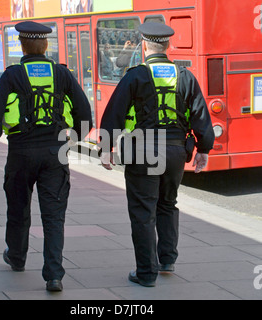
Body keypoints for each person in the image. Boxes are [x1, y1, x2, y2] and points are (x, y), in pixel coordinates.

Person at [0, 21, 93, 292]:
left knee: (18, 208)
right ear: (46, 46)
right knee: (54, 215)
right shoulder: (61, 74)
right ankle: (54, 275)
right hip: (55, 153)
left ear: (22, 45)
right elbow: (84, 111)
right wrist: (74, 137)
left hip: (21, 152)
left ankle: (17, 258)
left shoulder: (13, 75)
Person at [99, 22, 215, 287]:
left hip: (143, 151)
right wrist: (204, 149)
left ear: (144, 45)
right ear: (168, 46)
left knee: (143, 211)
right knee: (167, 203)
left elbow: (115, 112)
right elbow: (200, 116)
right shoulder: (185, 75)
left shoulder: (136, 75)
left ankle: (146, 272)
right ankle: (167, 259)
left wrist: (106, 148)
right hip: (175, 151)